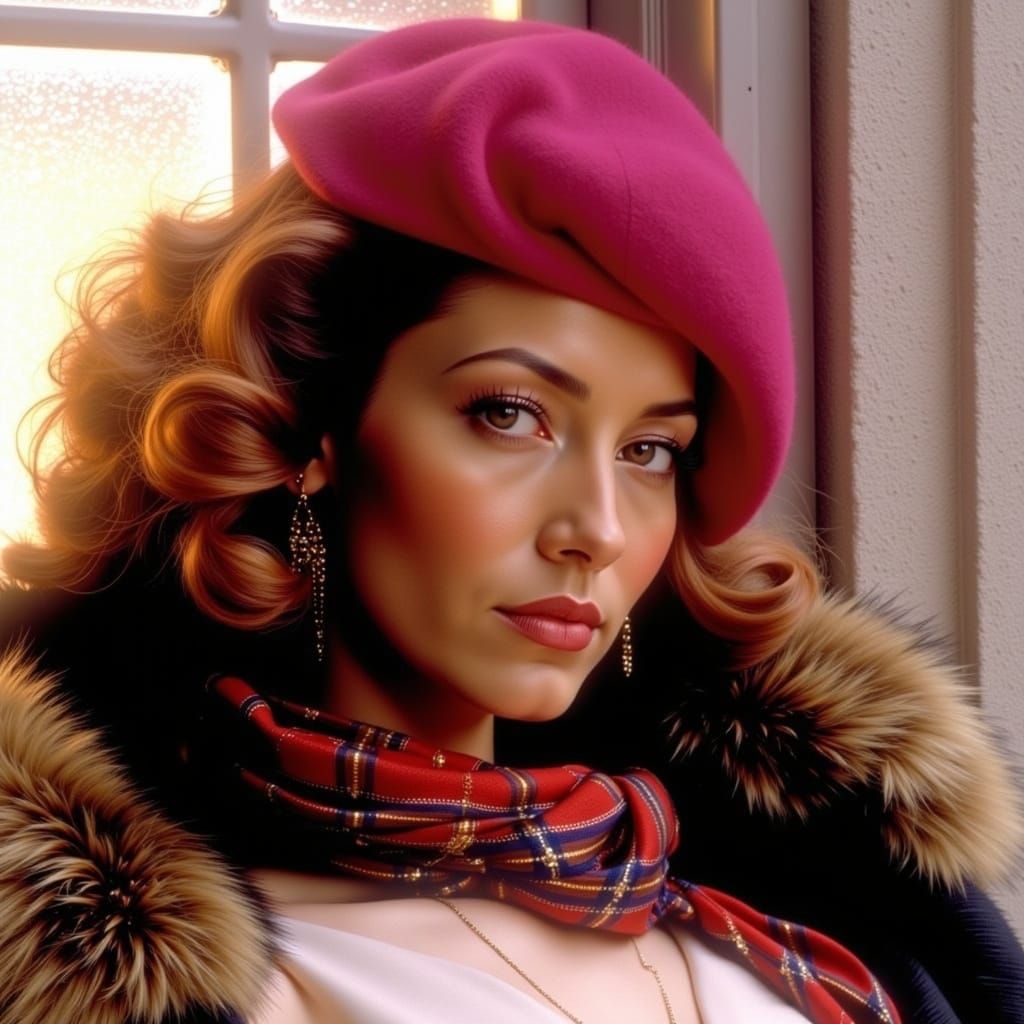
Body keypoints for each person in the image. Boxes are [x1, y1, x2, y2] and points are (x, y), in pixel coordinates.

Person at [0, 16, 1021, 1024]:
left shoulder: (809, 908)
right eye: (509, 414)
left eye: (650, 451)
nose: (597, 530)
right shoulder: (196, 983)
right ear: (313, 426)